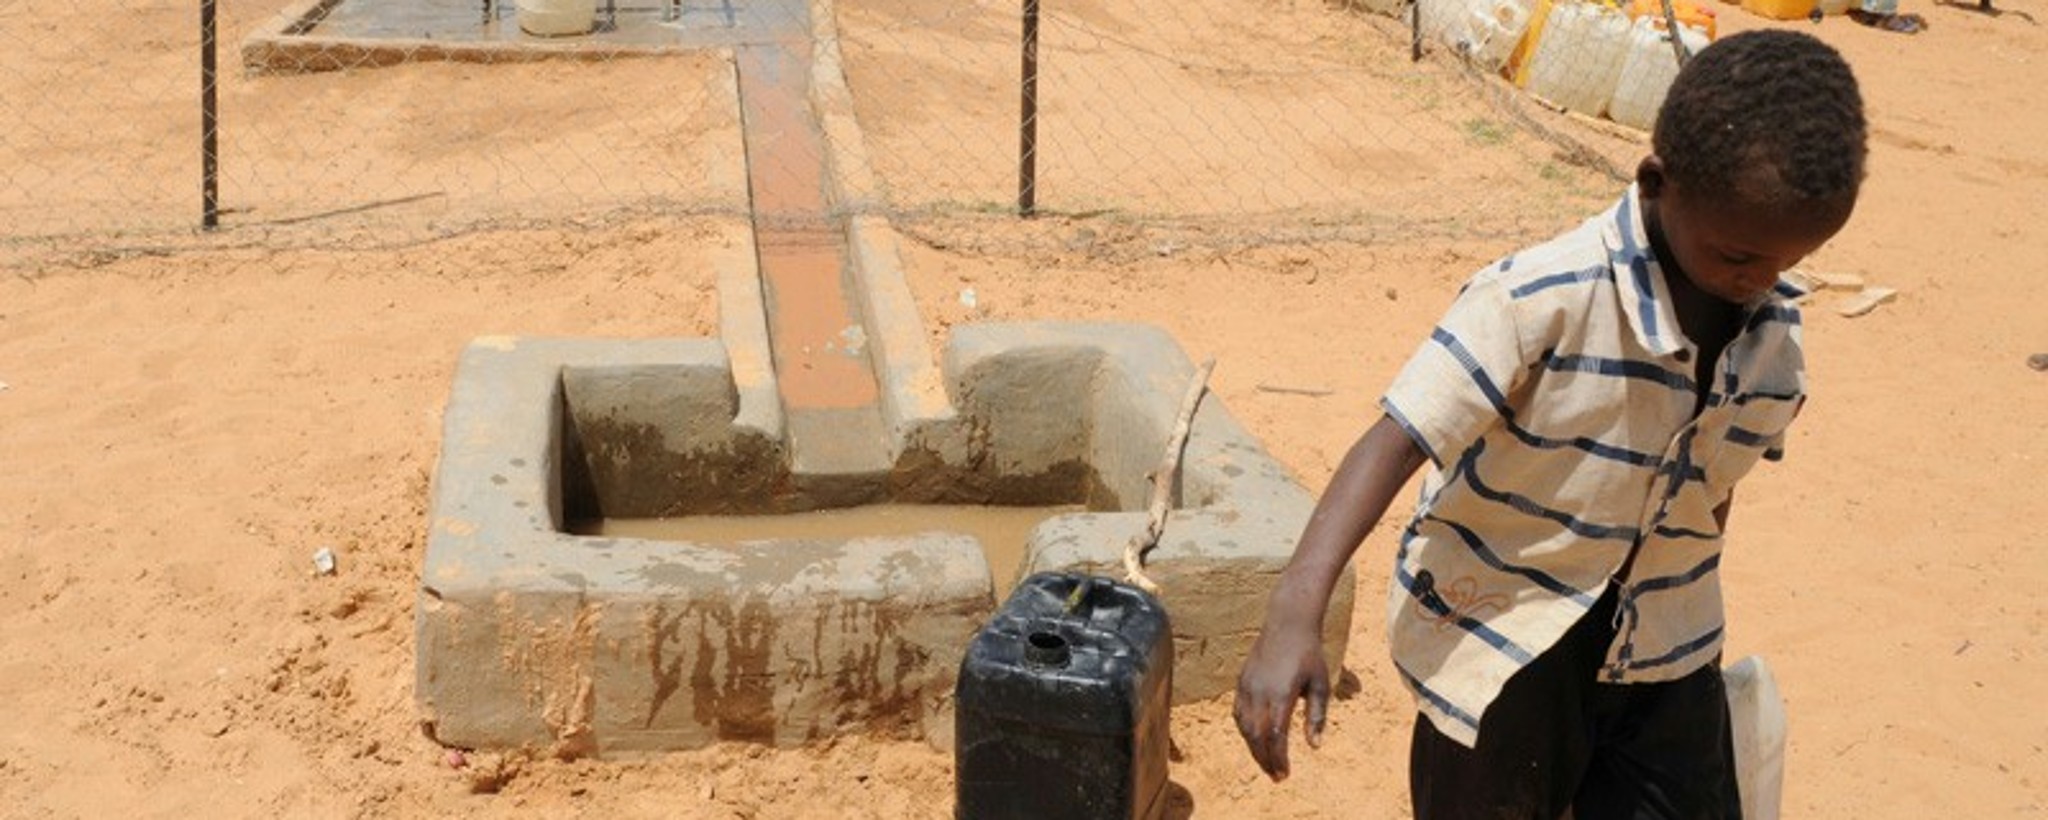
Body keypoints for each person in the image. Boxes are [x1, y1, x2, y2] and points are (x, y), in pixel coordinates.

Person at [1234, 29, 1866, 819]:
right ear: (1658, 182)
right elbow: (1396, 438)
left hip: (1665, 645)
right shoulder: (1540, 299)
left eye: (1784, 261)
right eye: (1739, 256)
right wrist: (1295, 614)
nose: (1760, 281)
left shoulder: (1773, 339)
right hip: (1505, 638)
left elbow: (1710, 492)